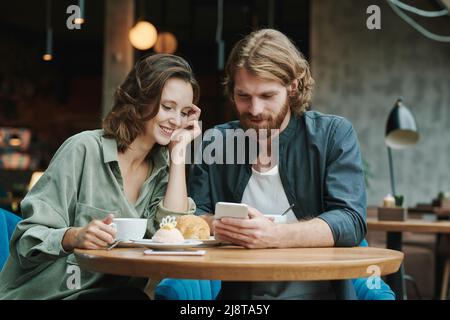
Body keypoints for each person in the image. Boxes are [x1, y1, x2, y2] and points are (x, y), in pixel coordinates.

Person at [0, 53, 201, 300]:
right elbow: (26, 239)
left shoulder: (163, 171)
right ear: (140, 100)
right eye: (168, 107)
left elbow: (173, 234)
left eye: (184, 112)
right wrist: (75, 236)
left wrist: (178, 156)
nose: (175, 120)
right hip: (48, 295)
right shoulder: (83, 149)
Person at [188, 29, 367, 299]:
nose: (255, 109)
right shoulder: (217, 142)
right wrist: (219, 225)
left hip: (318, 294)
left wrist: (273, 235)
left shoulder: (332, 135)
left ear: (292, 87)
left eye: (267, 96)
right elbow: (194, 216)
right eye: (243, 96)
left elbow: (350, 221)